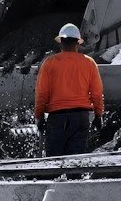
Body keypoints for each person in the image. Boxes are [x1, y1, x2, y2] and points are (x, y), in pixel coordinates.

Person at [34, 23, 104, 157]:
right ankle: (75, 177)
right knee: (75, 161)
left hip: (56, 118)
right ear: (78, 43)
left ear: (60, 43)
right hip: (81, 118)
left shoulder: (49, 63)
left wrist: (39, 117)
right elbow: (96, 93)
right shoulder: (89, 63)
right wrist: (98, 115)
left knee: (53, 162)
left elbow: (41, 93)